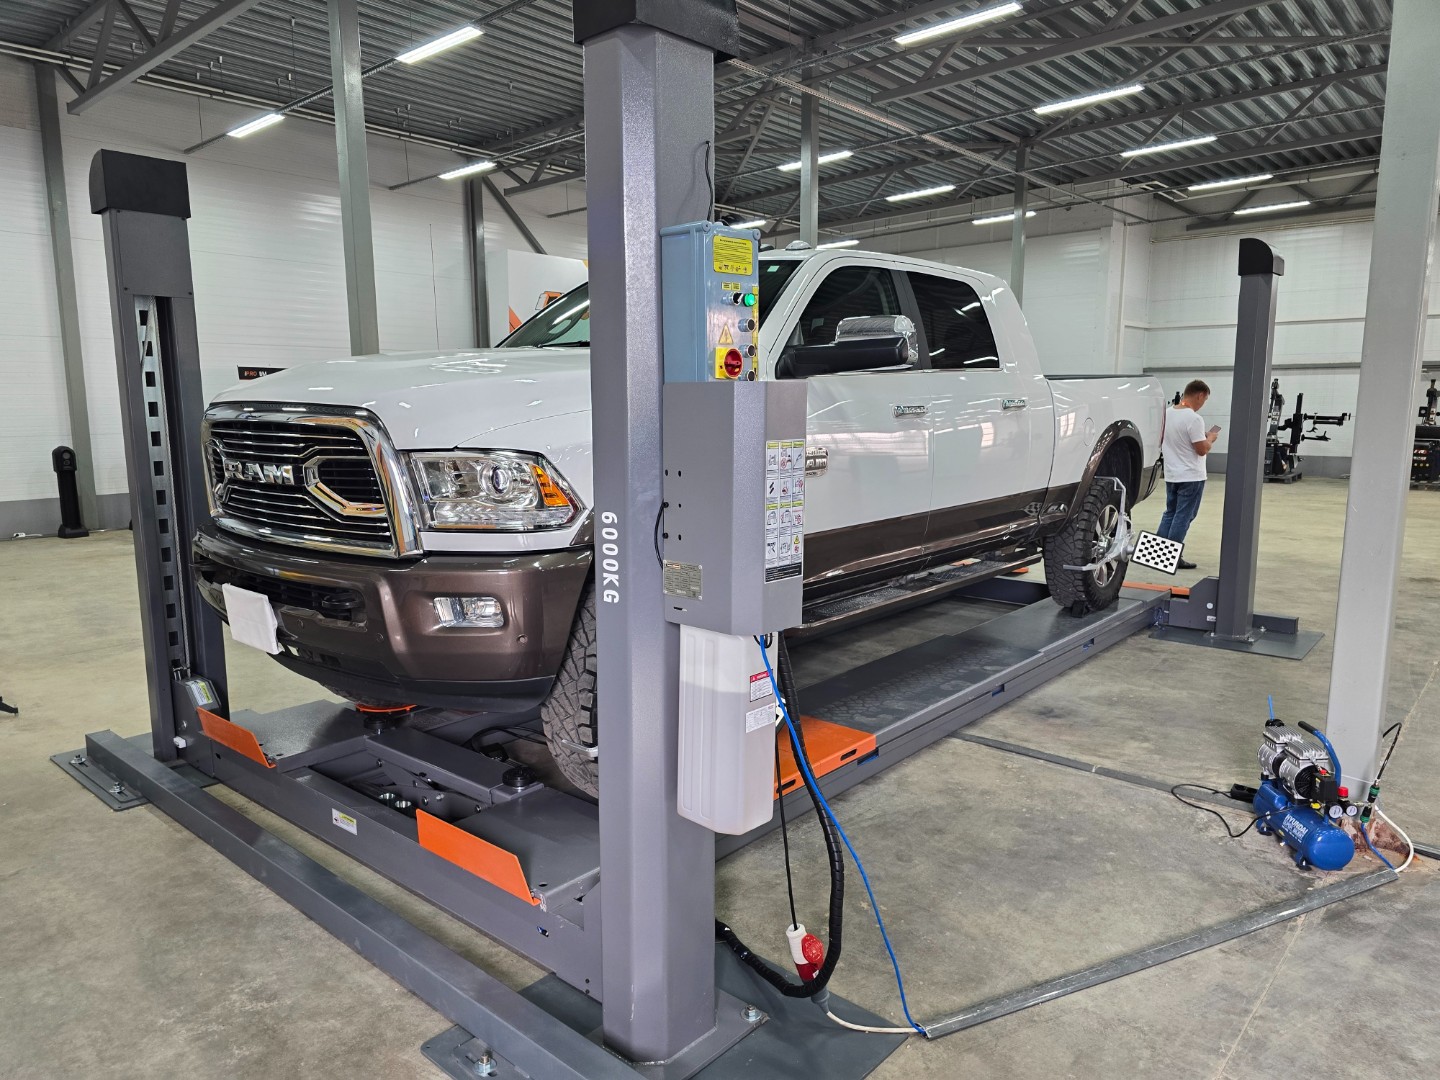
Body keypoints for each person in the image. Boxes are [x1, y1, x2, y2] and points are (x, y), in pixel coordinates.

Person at [1155, 379, 1219, 569]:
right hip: (1191, 476)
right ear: (1200, 395)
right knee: (1184, 516)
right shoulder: (1194, 419)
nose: (1202, 404)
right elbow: (1202, 449)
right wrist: (1210, 438)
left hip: (1172, 474)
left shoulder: (1167, 414)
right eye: (1204, 400)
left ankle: (1157, 556)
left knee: (1170, 513)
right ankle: (1173, 558)